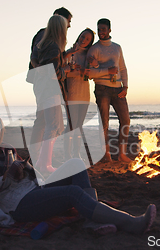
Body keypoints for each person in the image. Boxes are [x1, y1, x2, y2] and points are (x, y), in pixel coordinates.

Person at [0, 111, 157, 235]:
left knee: (76, 163)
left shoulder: (7, 149)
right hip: (16, 205)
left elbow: (26, 175)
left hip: (31, 189)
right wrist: (7, 177)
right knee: (72, 192)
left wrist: (22, 170)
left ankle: (91, 221)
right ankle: (132, 223)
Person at [27, 7, 78, 167]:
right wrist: (66, 70)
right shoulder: (53, 44)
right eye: (67, 23)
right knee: (54, 125)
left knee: (46, 122)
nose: (69, 26)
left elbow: (34, 58)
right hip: (50, 88)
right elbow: (52, 72)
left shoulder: (43, 41)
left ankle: (40, 158)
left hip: (41, 87)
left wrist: (41, 70)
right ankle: (43, 161)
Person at [86, 18, 131, 163]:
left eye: (103, 29)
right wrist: (107, 71)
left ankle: (122, 154)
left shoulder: (117, 47)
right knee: (104, 123)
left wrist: (125, 86)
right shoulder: (94, 49)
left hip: (118, 88)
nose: (101, 32)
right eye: (99, 30)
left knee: (125, 120)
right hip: (102, 89)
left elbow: (122, 68)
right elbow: (90, 73)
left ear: (110, 30)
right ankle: (106, 154)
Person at [64, 28, 96, 160]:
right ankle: (67, 154)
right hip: (71, 93)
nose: (84, 40)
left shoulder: (88, 55)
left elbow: (92, 74)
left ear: (90, 42)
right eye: (83, 37)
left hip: (84, 94)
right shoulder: (69, 53)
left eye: (87, 39)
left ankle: (76, 153)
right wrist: (77, 71)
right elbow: (63, 73)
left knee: (79, 126)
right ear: (79, 36)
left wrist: (94, 65)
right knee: (71, 125)